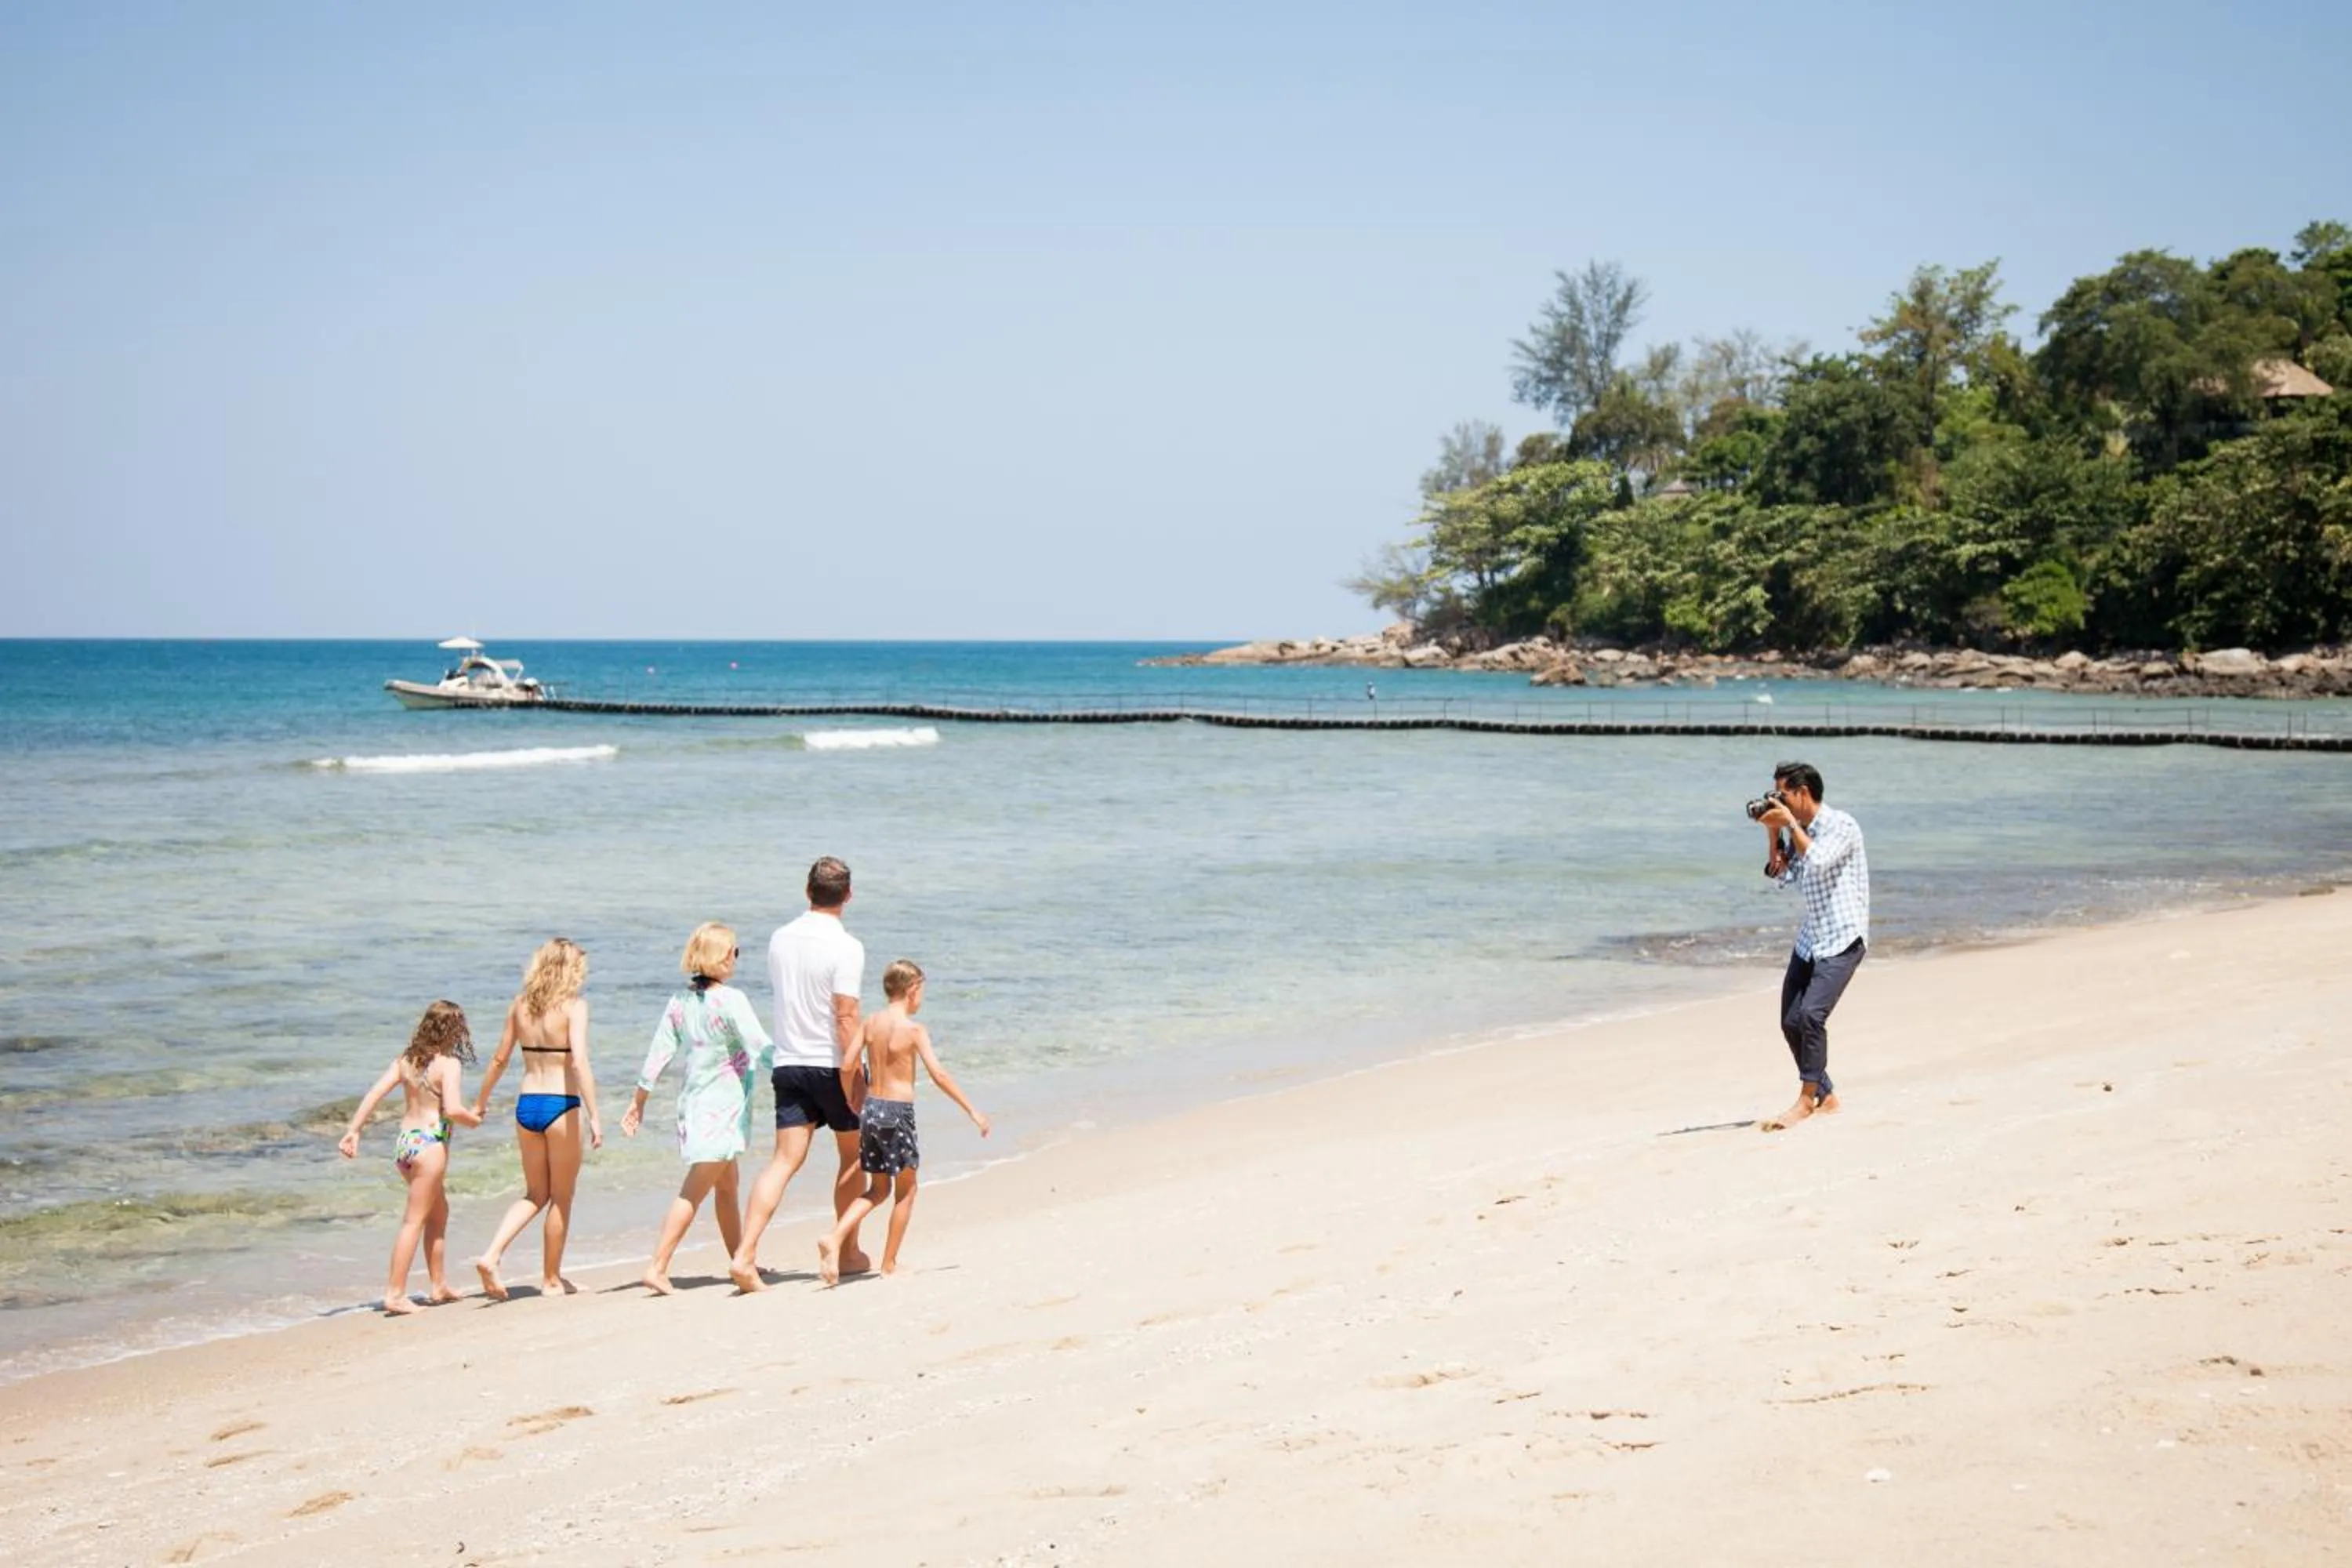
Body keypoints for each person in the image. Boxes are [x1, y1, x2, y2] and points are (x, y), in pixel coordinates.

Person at [729, 856, 869, 1292]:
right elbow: (845, 1015)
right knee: (853, 1155)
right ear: (848, 895)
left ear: (807, 891)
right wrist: (856, 1072)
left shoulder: (779, 939)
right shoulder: (847, 946)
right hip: (831, 1062)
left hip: (789, 1062)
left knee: (783, 1161)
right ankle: (846, 1252)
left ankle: (745, 1253)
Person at [620, 923, 771, 1295]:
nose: (736, 958)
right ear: (721, 956)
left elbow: (659, 1052)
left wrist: (638, 1101)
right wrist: (801, 1073)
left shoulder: (681, 1001)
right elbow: (760, 1046)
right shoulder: (732, 999)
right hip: (722, 1109)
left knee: (727, 1186)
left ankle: (742, 1259)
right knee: (695, 1190)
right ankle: (657, 1266)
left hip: (695, 1104)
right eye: (734, 952)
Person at [816, 960, 989, 1284]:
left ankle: (836, 1236)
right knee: (906, 1191)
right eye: (921, 990)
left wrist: (853, 1099)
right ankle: (889, 1264)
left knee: (877, 1189)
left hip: (871, 1109)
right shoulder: (913, 1030)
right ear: (912, 990)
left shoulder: (870, 1023)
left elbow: (847, 1064)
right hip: (898, 1113)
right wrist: (972, 1110)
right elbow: (938, 1074)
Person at [469, 937, 604, 1301]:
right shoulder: (575, 1007)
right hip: (561, 1104)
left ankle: (492, 1253)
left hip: (527, 1104)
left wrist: (480, 1103)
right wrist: (594, 1115)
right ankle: (551, 1280)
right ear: (571, 970)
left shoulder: (519, 1006)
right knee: (560, 1196)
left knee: (534, 1193)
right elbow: (579, 1061)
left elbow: (499, 1059)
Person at [337, 1000, 486, 1315]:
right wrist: (473, 1119)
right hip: (430, 1145)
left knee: (438, 1212)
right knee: (413, 1221)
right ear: (454, 1031)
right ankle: (394, 1294)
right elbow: (455, 1109)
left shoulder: (407, 1060)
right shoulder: (449, 1065)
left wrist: (354, 1130)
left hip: (405, 1144)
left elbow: (374, 1093)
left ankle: (438, 1285)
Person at [1753, 760, 1870, 1131]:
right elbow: (1782, 878)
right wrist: (1773, 835)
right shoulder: (1797, 829)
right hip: (1811, 938)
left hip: (1842, 938)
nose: (1779, 802)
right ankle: (1826, 1094)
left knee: (1811, 1017)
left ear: (1803, 793)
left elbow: (1817, 861)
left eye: (1782, 795)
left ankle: (1806, 1101)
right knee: (1790, 1022)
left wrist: (1788, 824)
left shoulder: (1841, 826)